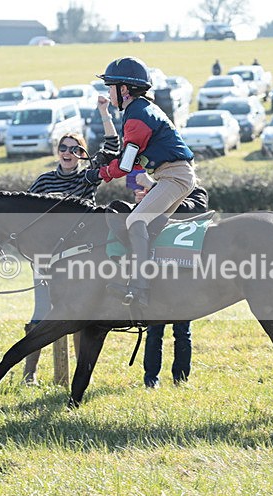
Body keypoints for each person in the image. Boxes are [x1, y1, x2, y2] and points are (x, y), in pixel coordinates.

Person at [21, 97, 120, 385]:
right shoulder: (43, 183)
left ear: (81, 154)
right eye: (63, 148)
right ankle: (30, 374)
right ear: (57, 152)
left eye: (75, 149)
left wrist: (104, 112)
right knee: (41, 315)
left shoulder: (88, 178)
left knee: (80, 317)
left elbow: (112, 147)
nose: (68, 152)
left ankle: (78, 375)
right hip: (46, 260)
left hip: (81, 261)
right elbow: (28, 220)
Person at [96, 56, 196, 309]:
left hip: (174, 176)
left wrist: (100, 174)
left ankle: (140, 287)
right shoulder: (139, 109)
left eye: (111, 86)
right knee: (150, 228)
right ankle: (158, 282)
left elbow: (127, 165)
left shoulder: (137, 116)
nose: (108, 91)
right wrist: (111, 159)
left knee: (136, 220)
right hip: (173, 175)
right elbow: (133, 156)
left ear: (124, 89)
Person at [132, 172, 209, 388]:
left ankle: (180, 379)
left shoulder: (198, 193)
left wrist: (155, 189)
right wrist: (144, 201)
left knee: (182, 330)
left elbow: (188, 210)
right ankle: (151, 379)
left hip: (183, 273)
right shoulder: (158, 192)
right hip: (157, 269)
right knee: (154, 329)